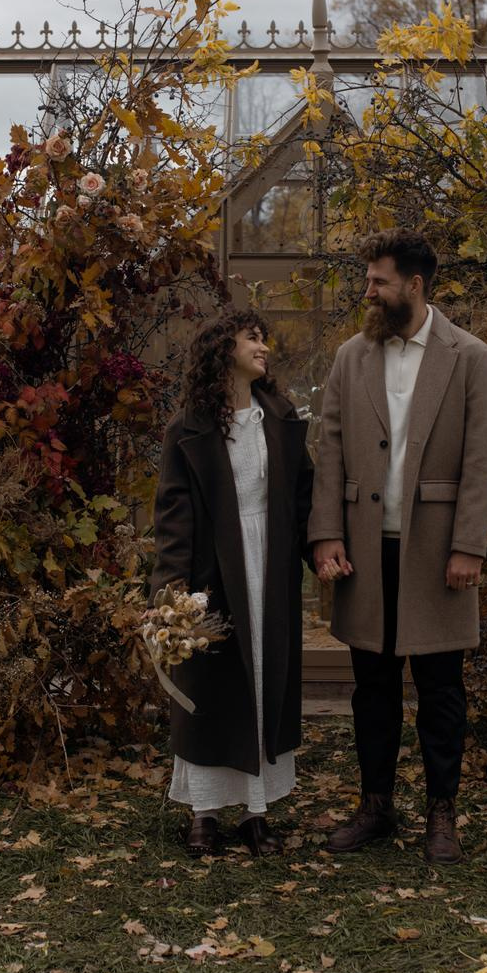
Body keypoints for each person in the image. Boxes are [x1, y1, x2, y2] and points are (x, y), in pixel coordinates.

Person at [308, 229, 487, 864]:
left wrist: (469, 545)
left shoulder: (469, 356)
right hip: (367, 547)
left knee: (443, 688)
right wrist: (327, 534)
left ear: (415, 286)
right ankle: (376, 806)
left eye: (379, 281)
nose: (368, 291)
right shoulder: (350, 357)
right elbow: (329, 449)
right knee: (373, 687)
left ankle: (441, 814)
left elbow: (481, 459)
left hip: (439, 551)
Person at [152, 307, 314, 856]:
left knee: (264, 680)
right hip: (212, 571)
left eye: (264, 338)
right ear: (225, 350)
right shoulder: (188, 428)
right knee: (211, 690)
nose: (263, 346)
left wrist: (323, 554)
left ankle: (257, 812)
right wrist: (173, 595)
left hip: (270, 568)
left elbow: (302, 499)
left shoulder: (281, 417)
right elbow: (173, 517)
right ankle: (204, 814)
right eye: (252, 338)